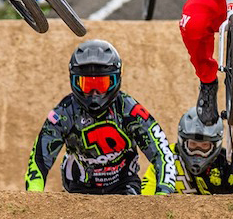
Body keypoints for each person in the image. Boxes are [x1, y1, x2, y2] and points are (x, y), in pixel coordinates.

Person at [25, 40, 177, 194]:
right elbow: (40, 158)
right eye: (87, 85)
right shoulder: (64, 113)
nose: (94, 93)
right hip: (77, 189)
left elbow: (161, 151)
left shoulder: (129, 109)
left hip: (123, 187)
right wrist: (34, 194)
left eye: (101, 84)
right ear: (74, 81)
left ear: (115, 80)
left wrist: (163, 194)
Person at [142, 107, 233, 194]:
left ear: (215, 146)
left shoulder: (227, 163)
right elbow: (147, 197)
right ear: (182, 142)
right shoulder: (166, 158)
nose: (198, 151)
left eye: (204, 146)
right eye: (193, 144)